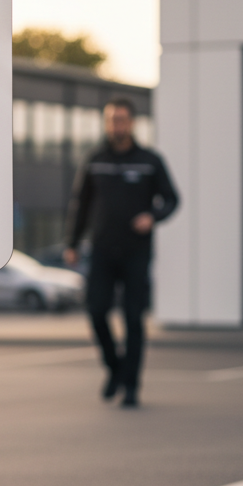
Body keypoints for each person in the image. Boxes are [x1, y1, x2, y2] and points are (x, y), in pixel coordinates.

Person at [64, 99, 179, 407]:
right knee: (96, 311)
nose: (117, 125)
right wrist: (72, 243)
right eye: (112, 120)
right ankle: (114, 368)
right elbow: (81, 204)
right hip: (101, 250)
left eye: (122, 119)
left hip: (135, 252)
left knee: (132, 318)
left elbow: (171, 199)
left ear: (132, 123)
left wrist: (152, 217)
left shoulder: (149, 160)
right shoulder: (94, 160)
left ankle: (131, 386)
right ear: (106, 123)